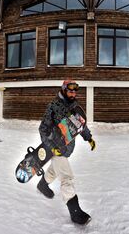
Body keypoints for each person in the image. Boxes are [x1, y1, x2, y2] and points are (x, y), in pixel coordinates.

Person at [37, 80, 96, 225]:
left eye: (75, 91)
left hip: (67, 147)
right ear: (63, 90)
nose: (73, 94)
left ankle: (42, 185)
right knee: (67, 177)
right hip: (56, 147)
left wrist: (89, 138)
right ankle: (75, 212)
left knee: (55, 170)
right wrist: (51, 147)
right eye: (70, 91)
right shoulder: (53, 106)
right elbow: (43, 129)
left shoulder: (74, 105)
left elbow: (80, 124)